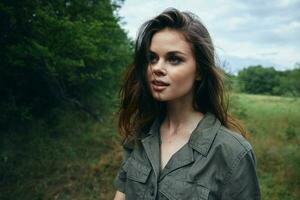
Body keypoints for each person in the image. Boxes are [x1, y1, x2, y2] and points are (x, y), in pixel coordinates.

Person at [113, 8, 261, 200]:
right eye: (152, 58)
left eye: (174, 59)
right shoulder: (140, 134)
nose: (157, 68)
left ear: (199, 71)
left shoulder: (232, 152)